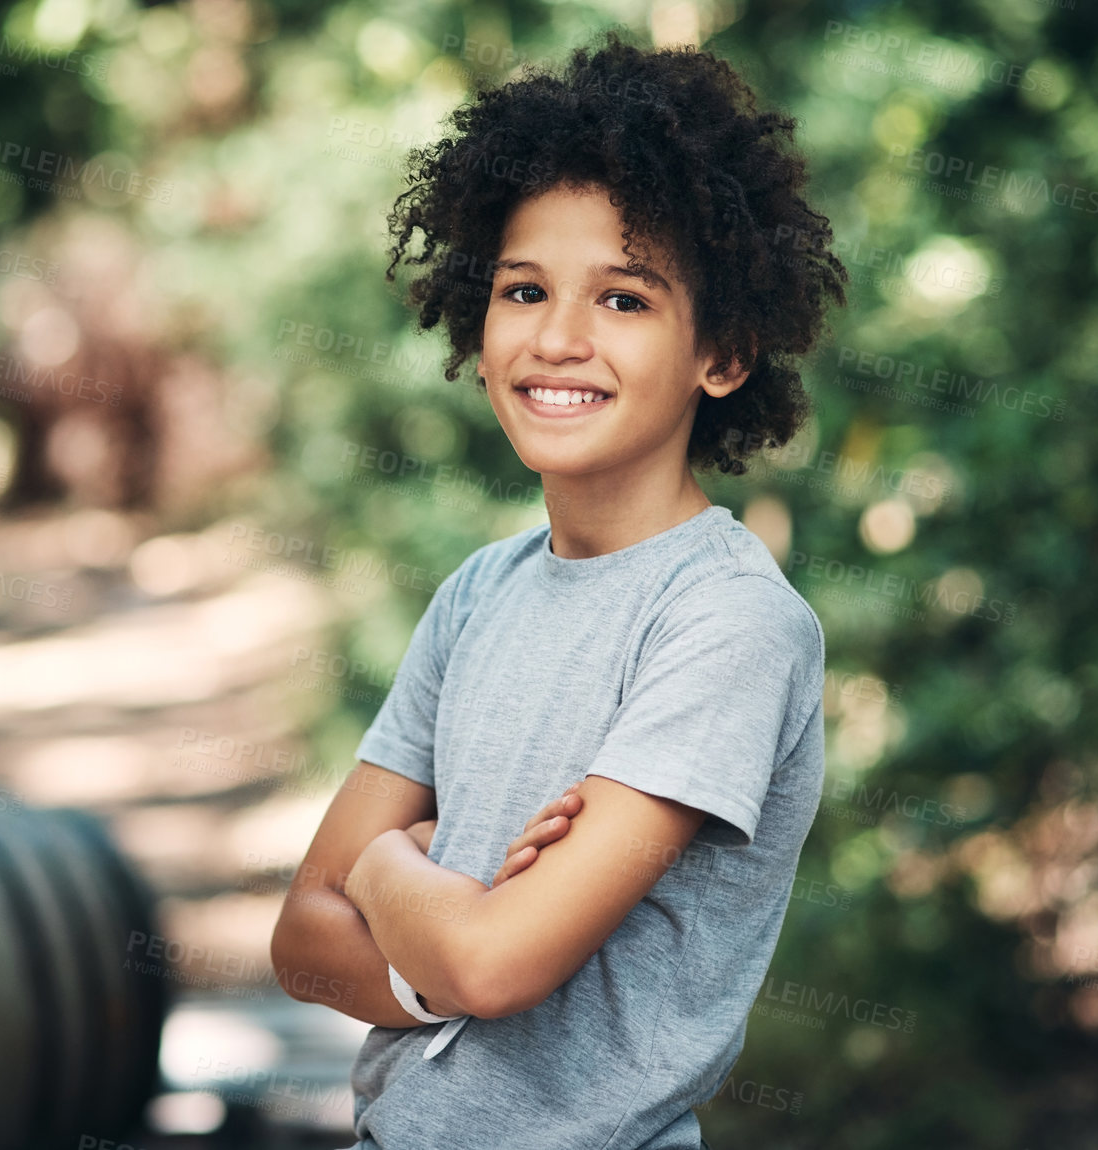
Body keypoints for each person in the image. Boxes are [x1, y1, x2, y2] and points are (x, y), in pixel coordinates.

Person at [269, 29, 847, 1150]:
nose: (559, 339)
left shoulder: (727, 622)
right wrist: (441, 955)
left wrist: (389, 868)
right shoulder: (480, 590)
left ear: (720, 354)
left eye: (623, 300)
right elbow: (299, 939)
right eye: (523, 289)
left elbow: (498, 958)